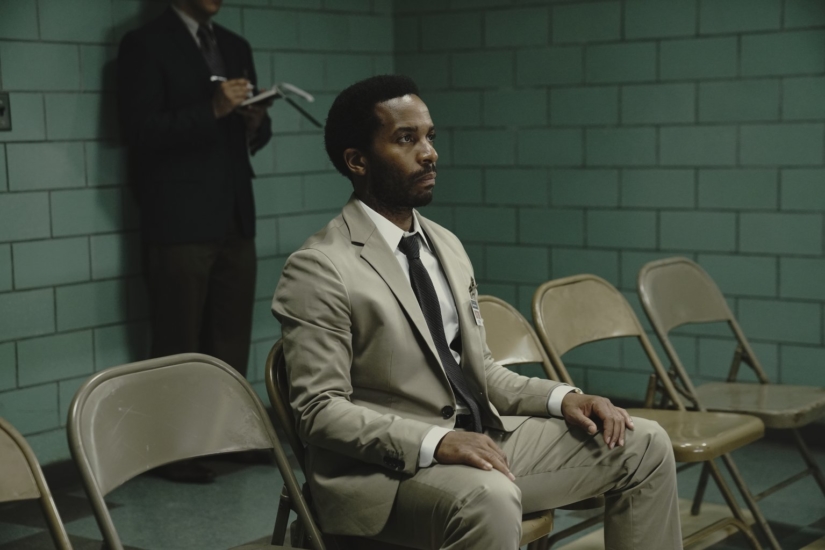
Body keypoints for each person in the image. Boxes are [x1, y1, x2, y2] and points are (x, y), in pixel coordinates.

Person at [272, 75, 682, 549]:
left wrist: (563, 398)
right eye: (406, 139)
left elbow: (478, 371)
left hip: (480, 440)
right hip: (386, 476)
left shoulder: (444, 244)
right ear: (357, 161)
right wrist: (436, 443)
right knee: (489, 496)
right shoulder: (320, 267)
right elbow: (319, 412)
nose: (429, 153)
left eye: (430, 136)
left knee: (644, 443)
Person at [117, 0, 272, 483]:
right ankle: (171, 451)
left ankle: (227, 437)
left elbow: (252, 136)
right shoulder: (144, 44)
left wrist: (252, 122)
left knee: (230, 334)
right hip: (178, 216)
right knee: (178, 338)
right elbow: (140, 130)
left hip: (233, 211)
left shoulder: (234, 44)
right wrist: (213, 108)